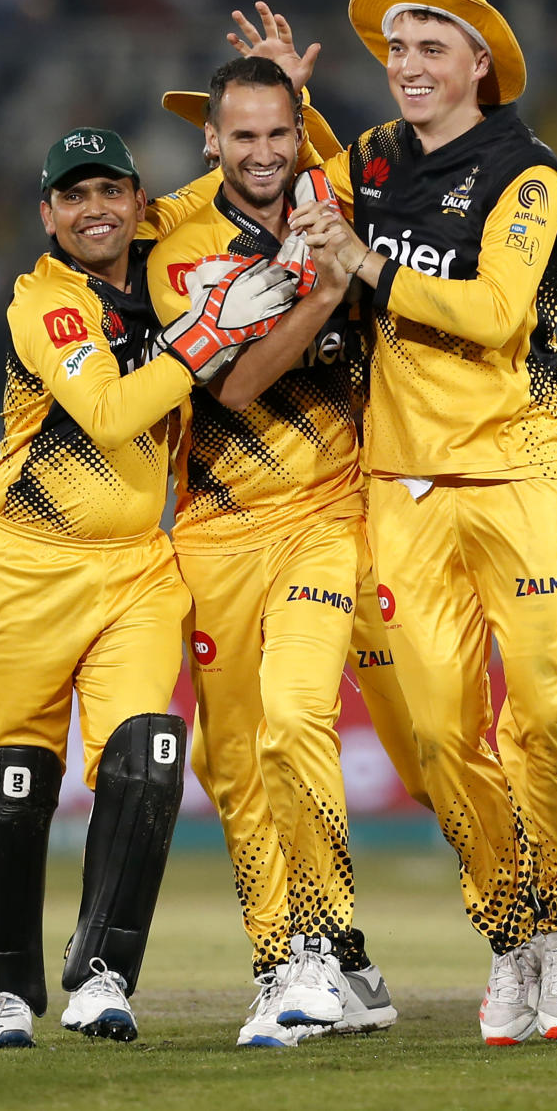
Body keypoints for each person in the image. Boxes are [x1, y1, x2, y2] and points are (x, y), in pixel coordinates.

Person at [229, 0, 557, 1045]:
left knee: (545, 711)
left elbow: (502, 316)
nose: (406, 62)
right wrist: (287, 91)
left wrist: (369, 268)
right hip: (400, 490)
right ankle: (524, 937)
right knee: (434, 738)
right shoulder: (372, 157)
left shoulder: (529, 173)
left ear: (480, 66)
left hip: (517, 480)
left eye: (428, 46)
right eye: (395, 47)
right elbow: (305, 177)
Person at [0, 126, 301, 1049]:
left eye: (111, 190)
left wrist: (278, 102)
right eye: (74, 196)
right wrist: (204, 337)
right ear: (48, 213)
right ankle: (1, 994)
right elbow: (110, 412)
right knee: (21, 774)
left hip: (141, 569)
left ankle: (103, 972)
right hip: (29, 564)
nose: (95, 209)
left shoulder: (159, 254)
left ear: (137, 199)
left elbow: (239, 173)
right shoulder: (45, 304)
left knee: (150, 753)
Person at [148, 57, 398, 1049]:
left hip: (326, 516)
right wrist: (317, 293)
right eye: (241, 135)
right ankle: (290, 962)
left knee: (297, 716)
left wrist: (332, 246)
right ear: (211, 140)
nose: (261, 153)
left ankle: (322, 951)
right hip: (213, 527)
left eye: (278, 134)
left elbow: (374, 169)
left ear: (299, 134)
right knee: (228, 754)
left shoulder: (333, 204)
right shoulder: (175, 243)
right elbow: (239, 385)